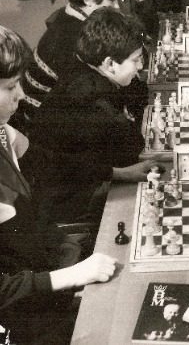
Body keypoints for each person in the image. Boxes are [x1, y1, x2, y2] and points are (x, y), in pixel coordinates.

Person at [0, 25, 117, 345]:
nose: (21, 95)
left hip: (41, 275)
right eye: (10, 87)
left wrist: (118, 173)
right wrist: (73, 275)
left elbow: (54, 164)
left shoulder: (4, 133)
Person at [29, 9, 154, 223]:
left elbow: (139, 95)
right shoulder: (94, 99)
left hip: (76, 178)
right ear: (109, 64)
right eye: (136, 60)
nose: (141, 66)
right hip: (68, 203)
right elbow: (133, 148)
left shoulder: (83, 69)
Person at [17, 0, 124, 130]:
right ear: (88, 0)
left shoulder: (69, 16)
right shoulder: (75, 38)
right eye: (112, 0)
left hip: (56, 108)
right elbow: (90, 91)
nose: (117, 6)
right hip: (43, 122)